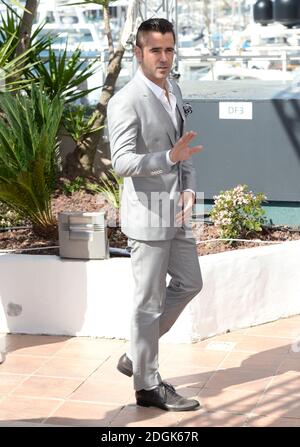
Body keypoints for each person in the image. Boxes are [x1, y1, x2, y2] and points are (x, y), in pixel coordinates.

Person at [107, 18, 203, 412]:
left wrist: (190, 186)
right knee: (147, 304)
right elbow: (122, 161)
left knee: (190, 283)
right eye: (156, 51)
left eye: (169, 50)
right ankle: (147, 386)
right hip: (147, 216)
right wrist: (166, 159)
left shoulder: (173, 88)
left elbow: (184, 148)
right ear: (138, 52)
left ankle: (137, 353)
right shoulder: (125, 100)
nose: (164, 58)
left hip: (176, 211)